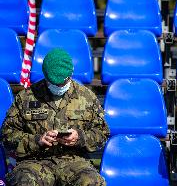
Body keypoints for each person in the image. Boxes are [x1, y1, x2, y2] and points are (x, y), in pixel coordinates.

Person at [1, 48, 110, 186]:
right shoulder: (26, 97)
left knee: (91, 182)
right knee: (25, 182)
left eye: (62, 82)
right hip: (35, 161)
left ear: (70, 74)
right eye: (53, 82)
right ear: (46, 77)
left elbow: (102, 133)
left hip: (74, 161)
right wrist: (37, 140)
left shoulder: (86, 97)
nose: (58, 86)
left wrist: (79, 138)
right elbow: (7, 135)